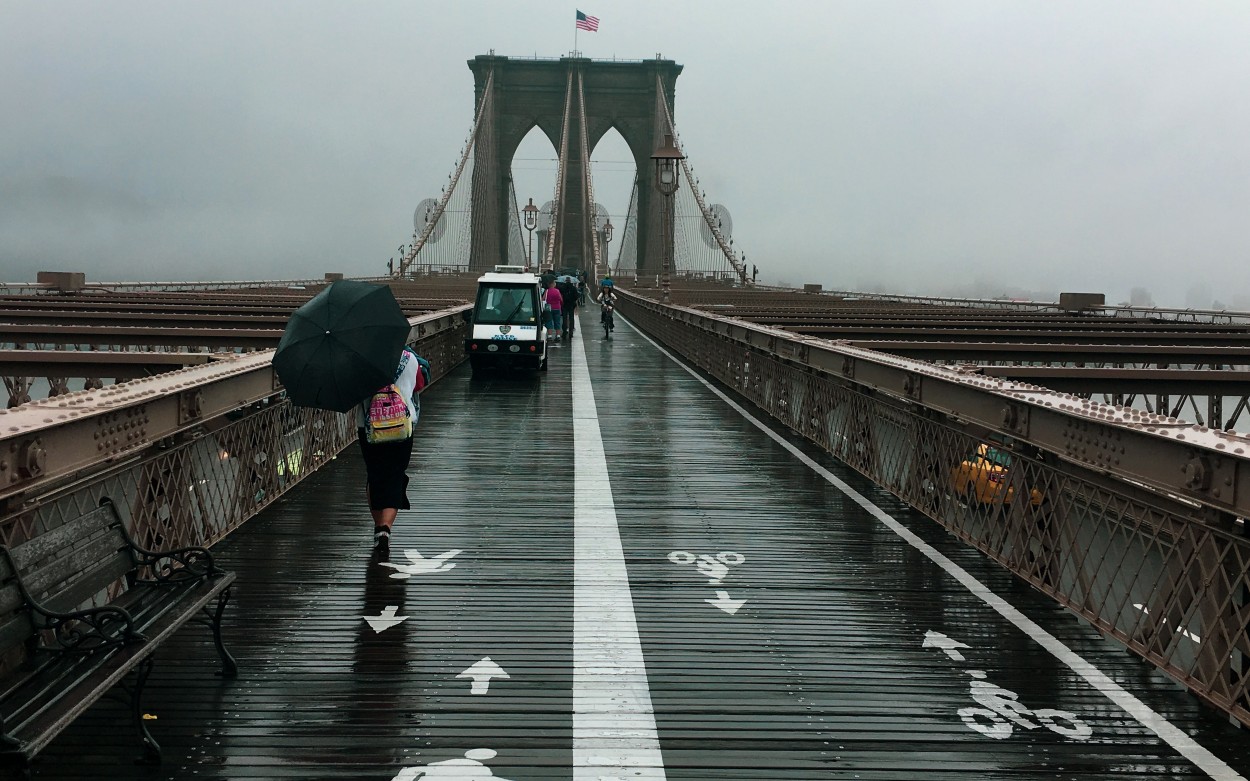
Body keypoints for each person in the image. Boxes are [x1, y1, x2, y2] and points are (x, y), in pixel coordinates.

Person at [356, 347, 430, 549]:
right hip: (401, 427)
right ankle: (386, 528)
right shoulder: (410, 359)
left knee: (375, 474)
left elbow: (353, 393)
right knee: (396, 474)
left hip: (370, 429)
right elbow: (419, 384)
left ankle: (379, 525)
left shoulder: (360, 361)